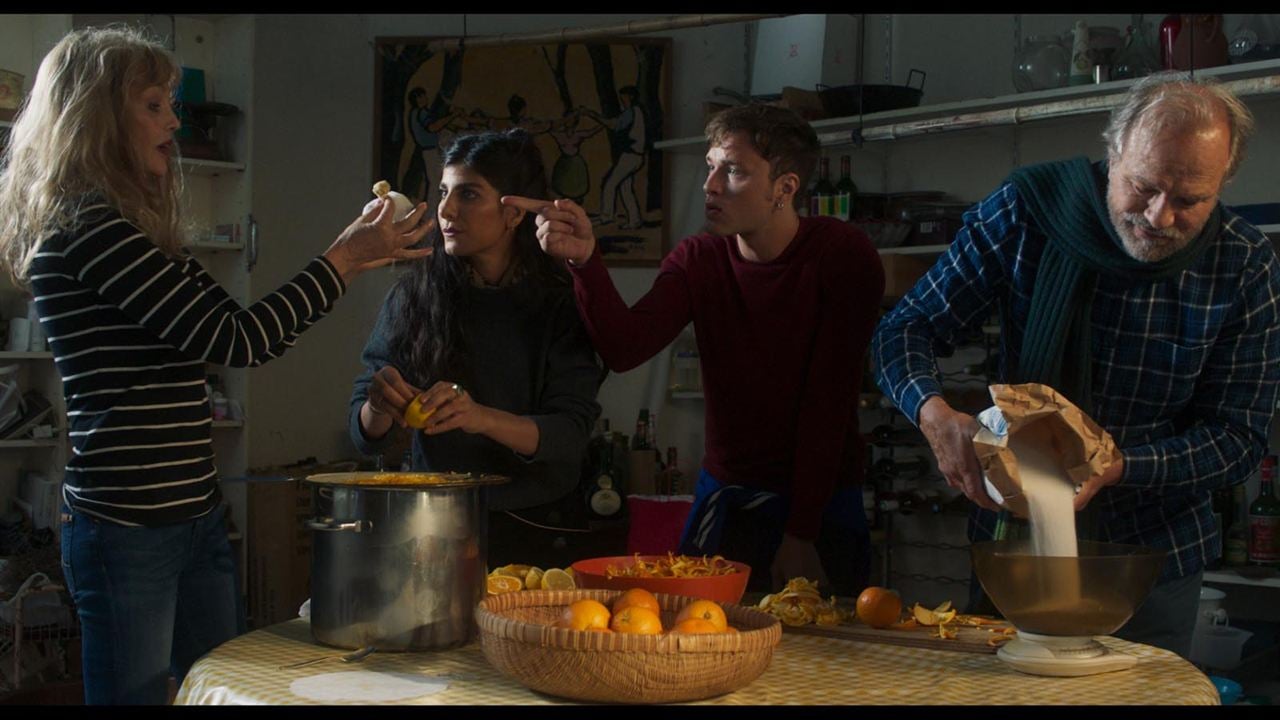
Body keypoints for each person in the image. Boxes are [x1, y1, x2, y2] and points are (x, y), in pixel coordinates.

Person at [0, 26, 432, 704]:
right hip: (128, 529)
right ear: (96, 115)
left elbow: (249, 334)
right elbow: (240, 340)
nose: (175, 118)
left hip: (192, 514)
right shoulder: (91, 232)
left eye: (171, 102)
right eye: (154, 104)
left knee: (220, 690)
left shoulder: (134, 233)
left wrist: (350, 260)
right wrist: (344, 258)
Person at [871, 71, 1280, 659]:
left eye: (1191, 200)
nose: (1160, 217)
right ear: (1113, 152)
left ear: (1224, 182)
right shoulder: (1026, 213)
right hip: (1012, 541)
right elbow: (904, 330)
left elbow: (1237, 438)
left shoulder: (1244, 264)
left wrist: (1117, 466)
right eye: (1144, 187)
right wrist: (934, 415)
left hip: (1149, 563)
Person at [504, 104, 885, 597]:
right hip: (726, 496)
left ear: (785, 189)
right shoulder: (700, 258)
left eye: (734, 171)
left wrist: (801, 532)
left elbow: (828, 402)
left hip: (822, 500)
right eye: (710, 166)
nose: (710, 185)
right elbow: (625, 347)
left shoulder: (842, 255)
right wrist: (585, 260)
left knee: (831, 654)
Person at [349, 129, 603, 571]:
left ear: (513, 212)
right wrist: (378, 405)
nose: (446, 210)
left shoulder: (561, 302)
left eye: (468, 195)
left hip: (538, 529)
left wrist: (478, 417)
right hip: (434, 526)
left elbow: (569, 435)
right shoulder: (415, 295)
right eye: (444, 192)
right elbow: (365, 435)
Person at [582, 86, 647, 230]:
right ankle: (634, 220)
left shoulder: (632, 112)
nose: (621, 100)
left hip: (631, 155)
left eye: (623, 96)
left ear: (629, 97)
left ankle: (607, 216)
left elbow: (614, 125)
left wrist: (591, 114)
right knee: (625, 189)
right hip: (635, 156)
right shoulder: (636, 112)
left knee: (610, 184)